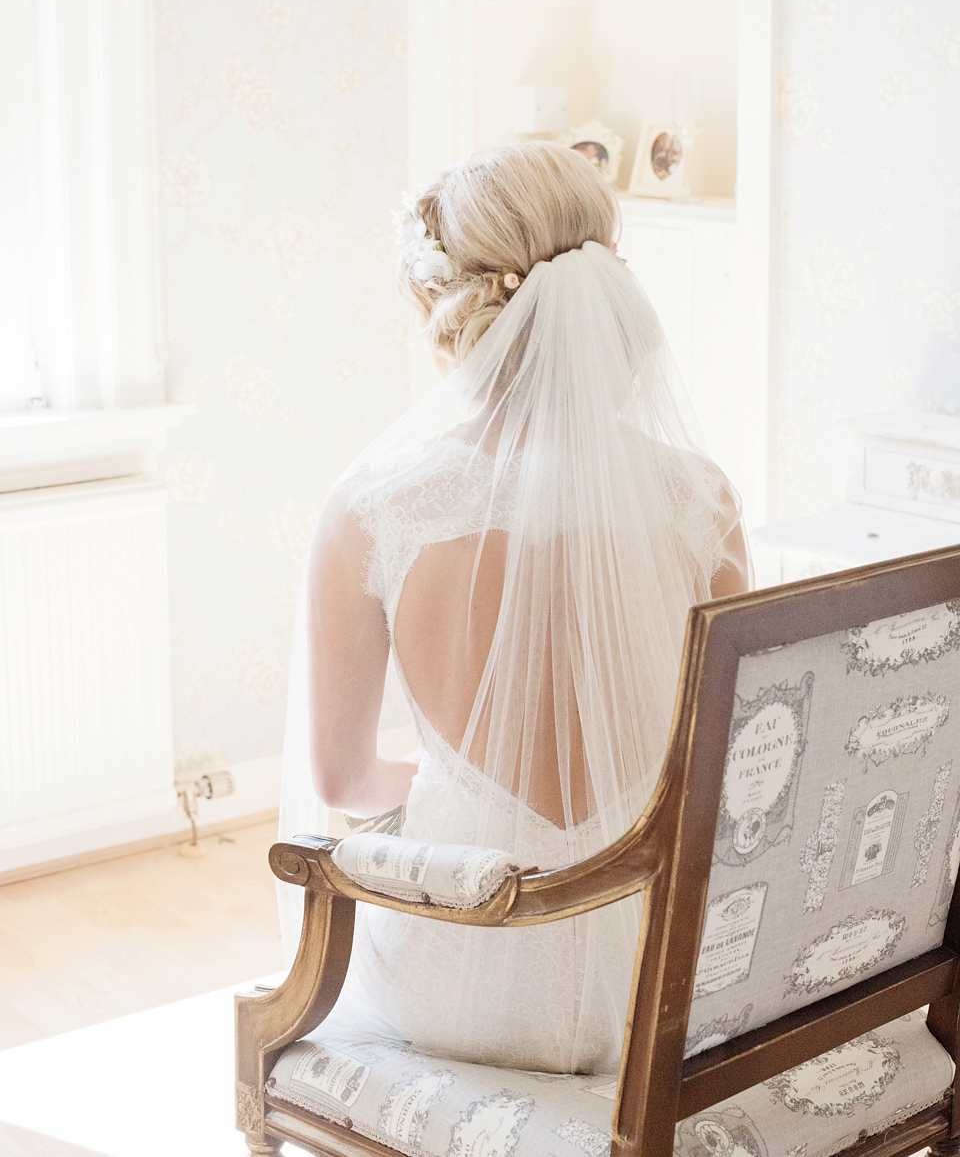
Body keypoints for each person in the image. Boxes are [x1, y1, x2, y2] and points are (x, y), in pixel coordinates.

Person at [279, 141, 750, 1076]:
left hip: (464, 971)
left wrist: (448, 781)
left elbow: (338, 782)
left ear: (444, 311)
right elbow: (732, 758)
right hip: (657, 976)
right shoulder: (702, 499)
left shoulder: (376, 507)